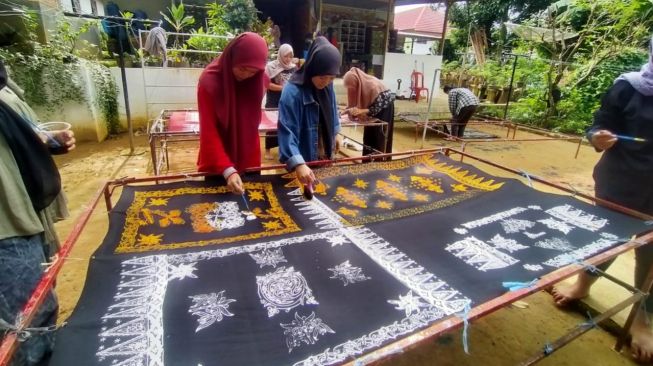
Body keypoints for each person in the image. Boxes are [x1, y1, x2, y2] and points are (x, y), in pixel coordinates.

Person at [550, 35, 653, 363]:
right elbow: (598, 126)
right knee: (610, 238)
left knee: (651, 252)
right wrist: (599, 138)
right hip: (621, 181)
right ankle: (583, 283)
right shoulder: (629, 87)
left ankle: (641, 317)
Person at [1, 60, 76, 365]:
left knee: (42, 303)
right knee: (24, 323)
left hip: (26, 213)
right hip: (8, 228)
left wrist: (42, 141)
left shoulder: (6, 89)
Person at [196, 32, 268, 195]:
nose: (246, 75)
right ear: (232, 57)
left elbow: (249, 122)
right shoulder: (209, 82)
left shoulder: (258, 80)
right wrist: (227, 169)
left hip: (249, 158)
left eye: (253, 71)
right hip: (218, 162)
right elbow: (209, 132)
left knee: (255, 210)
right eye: (242, 68)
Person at [278, 36, 342, 188]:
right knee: (303, 200)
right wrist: (298, 163)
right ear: (313, 67)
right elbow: (287, 131)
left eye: (331, 78)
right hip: (304, 157)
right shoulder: (292, 92)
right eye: (322, 77)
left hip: (324, 152)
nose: (326, 82)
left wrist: (335, 131)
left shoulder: (327, 85)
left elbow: (332, 108)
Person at [343, 67, 395, 156]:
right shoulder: (359, 86)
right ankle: (367, 160)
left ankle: (378, 162)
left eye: (353, 87)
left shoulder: (373, 86)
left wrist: (360, 111)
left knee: (379, 136)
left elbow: (376, 107)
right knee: (368, 136)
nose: (351, 90)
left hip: (384, 108)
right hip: (372, 109)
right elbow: (353, 103)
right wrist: (348, 110)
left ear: (358, 83)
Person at [264, 44, 298, 160]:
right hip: (274, 100)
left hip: (288, 101)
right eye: (285, 56)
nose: (288, 59)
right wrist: (283, 88)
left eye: (290, 56)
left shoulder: (294, 68)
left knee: (286, 124)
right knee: (272, 125)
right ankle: (267, 150)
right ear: (280, 55)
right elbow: (267, 84)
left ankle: (283, 149)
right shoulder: (271, 67)